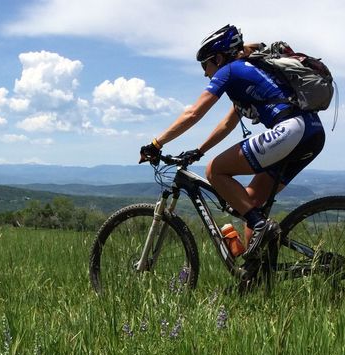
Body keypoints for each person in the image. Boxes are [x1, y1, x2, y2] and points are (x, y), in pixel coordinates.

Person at [139, 24, 325, 258]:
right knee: (250, 202)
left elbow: (193, 113)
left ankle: (261, 226)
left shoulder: (231, 71)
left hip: (292, 129)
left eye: (205, 64)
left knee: (215, 170)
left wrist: (156, 144)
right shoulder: (250, 74)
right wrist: (199, 150)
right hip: (312, 133)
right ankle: (256, 279)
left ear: (218, 58)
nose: (205, 73)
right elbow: (228, 124)